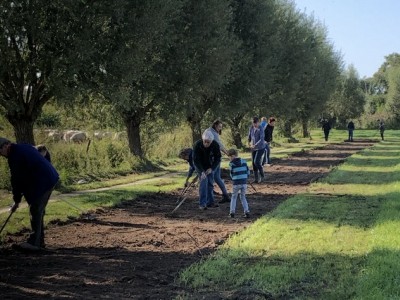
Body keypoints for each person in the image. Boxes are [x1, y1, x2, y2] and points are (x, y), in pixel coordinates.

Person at [0, 138, 59, 251]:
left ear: (6, 145)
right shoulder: (24, 146)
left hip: (43, 182)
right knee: (38, 210)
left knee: (35, 210)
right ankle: (39, 241)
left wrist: (16, 200)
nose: (0, 155)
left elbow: (16, 180)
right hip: (49, 178)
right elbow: (42, 153)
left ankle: (34, 243)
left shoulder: (14, 156)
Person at [192, 130, 222, 210]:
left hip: (210, 165)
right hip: (200, 166)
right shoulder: (197, 145)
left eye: (208, 142)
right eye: (205, 142)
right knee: (204, 182)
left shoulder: (215, 145)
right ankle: (202, 204)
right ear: (202, 140)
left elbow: (218, 158)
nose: (206, 144)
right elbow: (196, 160)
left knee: (210, 183)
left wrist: (212, 168)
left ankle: (210, 202)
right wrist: (202, 171)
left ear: (211, 141)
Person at [206, 120, 230, 204]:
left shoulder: (211, 132)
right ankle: (225, 195)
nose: (220, 129)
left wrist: (227, 153)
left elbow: (220, 145)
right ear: (215, 125)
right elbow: (219, 145)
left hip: (215, 158)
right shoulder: (211, 132)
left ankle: (210, 199)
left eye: (221, 127)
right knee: (216, 177)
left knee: (212, 177)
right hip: (212, 157)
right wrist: (227, 153)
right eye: (219, 127)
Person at [227, 148, 250, 218]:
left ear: (233, 156)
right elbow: (248, 172)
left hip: (236, 183)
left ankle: (232, 212)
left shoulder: (231, 164)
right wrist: (245, 177)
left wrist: (234, 178)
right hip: (244, 183)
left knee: (234, 197)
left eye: (230, 157)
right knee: (243, 197)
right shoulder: (244, 161)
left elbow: (231, 174)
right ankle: (246, 211)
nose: (229, 159)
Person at [248, 117, 266, 183]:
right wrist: (249, 143)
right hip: (253, 148)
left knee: (256, 162)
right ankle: (256, 179)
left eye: (256, 123)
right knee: (253, 163)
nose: (255, 125)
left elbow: (261, 139)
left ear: (258, 122)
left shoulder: (261, 128)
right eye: (253, 123)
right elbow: (249, 137)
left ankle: (262, 176)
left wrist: (255, 145)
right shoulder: (251, 128)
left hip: (260, 147)